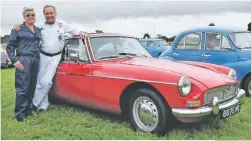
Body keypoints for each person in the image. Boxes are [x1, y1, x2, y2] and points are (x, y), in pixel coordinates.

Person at [13, 4, 87, 112]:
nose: (49, 15)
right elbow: (26, 28)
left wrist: (81, 33)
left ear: (55, 13)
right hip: (42, 55)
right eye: (47, 13)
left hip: (56, 56)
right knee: (40, 81)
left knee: (47, 81)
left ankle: (34, 105)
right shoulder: (39, 25)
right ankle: (43, 105)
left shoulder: (62, 24)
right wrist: (17, 26)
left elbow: (74, 30)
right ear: (44, 15)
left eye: (51, 13)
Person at [7, 7, 41, 121]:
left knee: (32, 86)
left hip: (36, 60)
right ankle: (20, 115)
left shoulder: (38, 30)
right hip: (24, 59)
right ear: (24, 17)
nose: (31, 17)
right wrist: (14, 60)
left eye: (33, 15)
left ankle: (28, 110)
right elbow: (10, 47)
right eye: (28, 15)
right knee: (22, 87)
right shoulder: (18, 29)